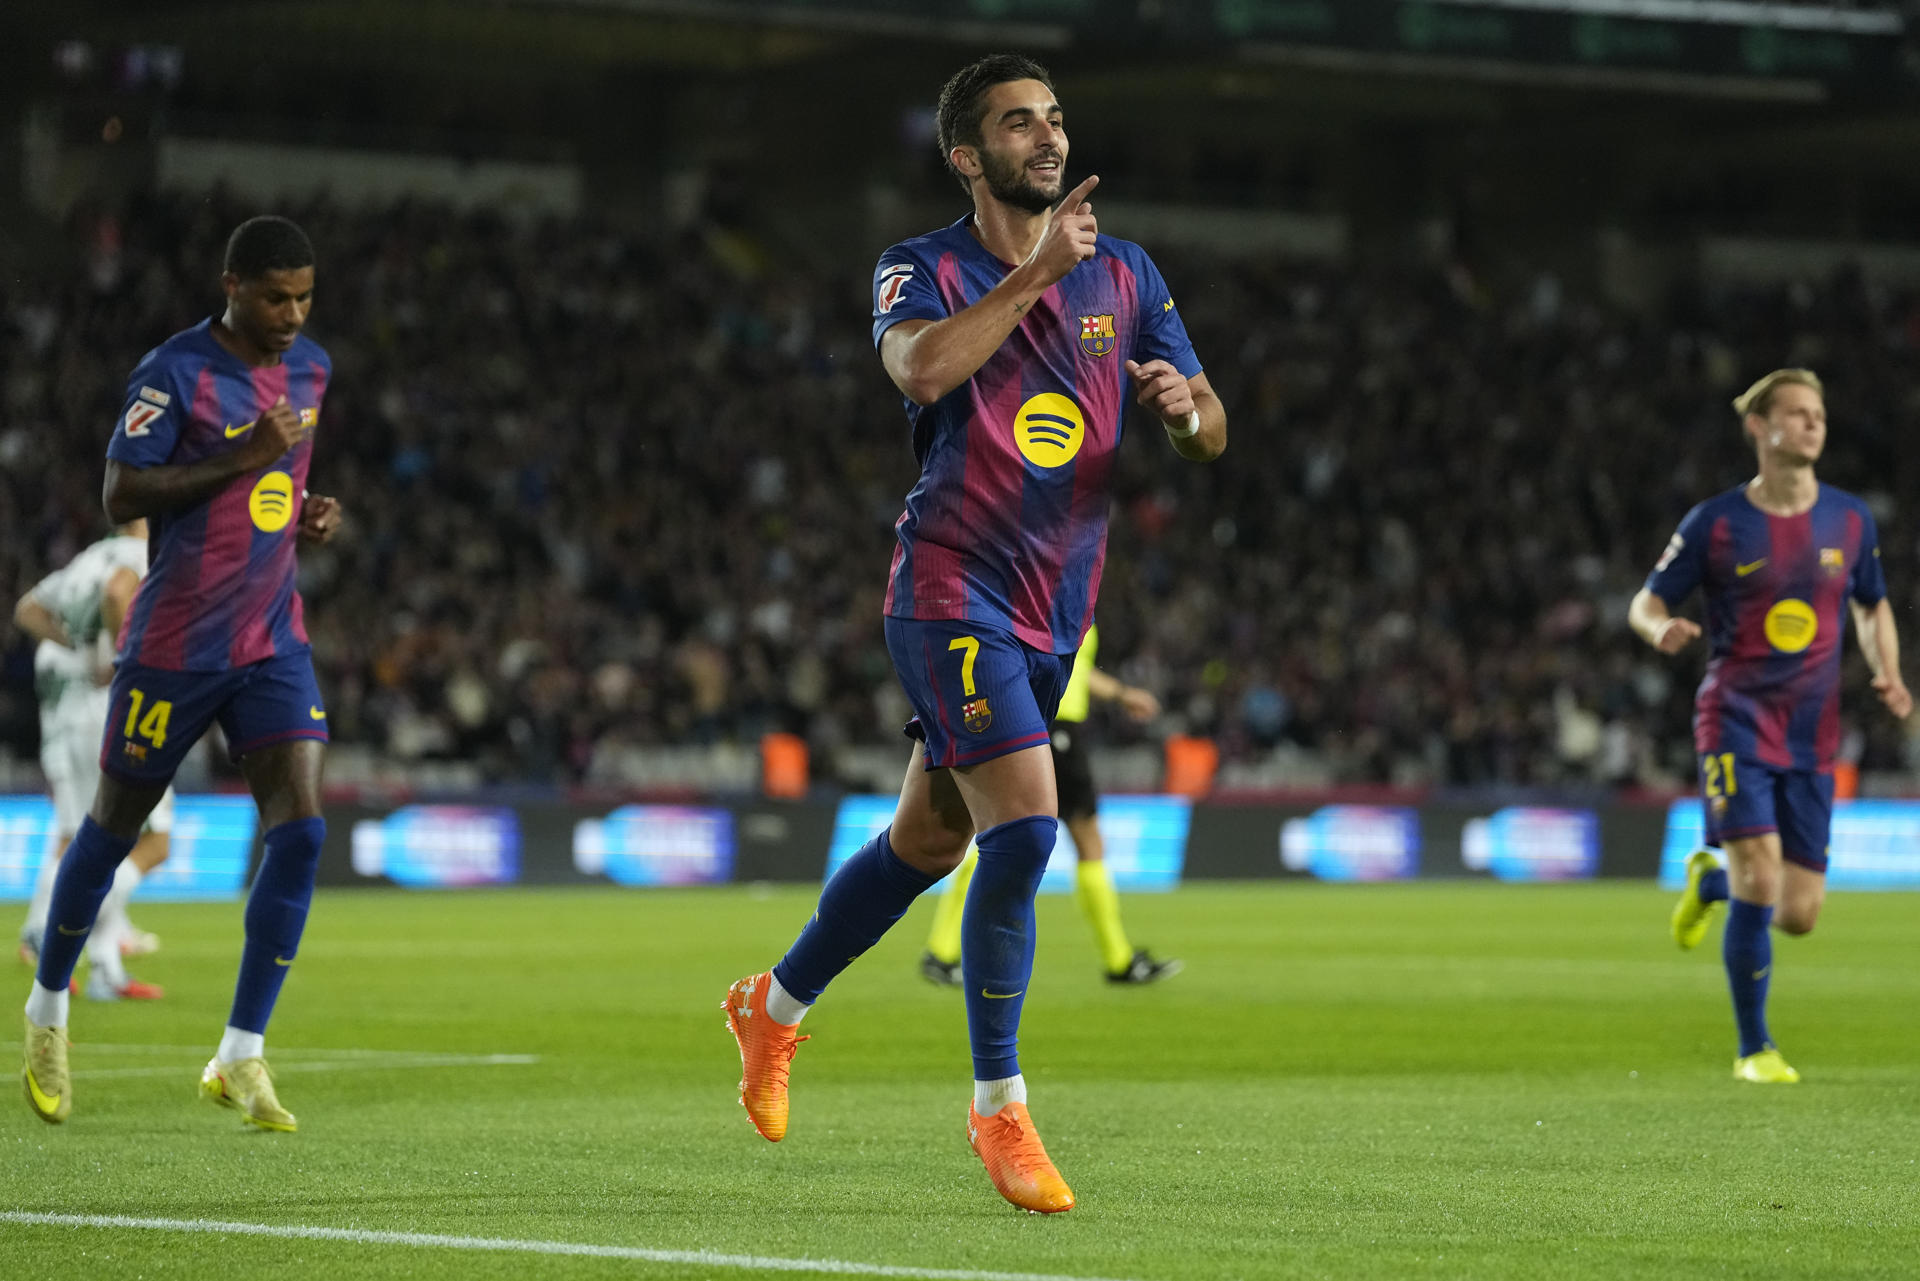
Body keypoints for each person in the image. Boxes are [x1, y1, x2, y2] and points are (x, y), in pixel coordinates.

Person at [723, 53, 1225, 1214]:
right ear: (968, 155)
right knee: (1027, 828)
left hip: (1059, 609)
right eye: (1018, 124)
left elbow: (1212, 430)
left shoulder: (1129, 272)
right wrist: (1034, 276)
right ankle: (1000, 1109)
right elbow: (923, 365)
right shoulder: (923, 266)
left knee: (927, 845)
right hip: (950, 586)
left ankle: (773, 1007)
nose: (1047, 138)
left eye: (1055, 118)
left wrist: (1185, 411)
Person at [21, 215, 343, 1131]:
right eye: (275, 296)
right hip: (176, 641)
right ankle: (48, 1008)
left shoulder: (313, 369)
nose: (291, 314)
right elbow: (124, 493)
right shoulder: (174, 373)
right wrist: (238, 457)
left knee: (303, 830)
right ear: (232, 284)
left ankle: (240, 1053)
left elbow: (271, 490)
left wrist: (305, 513)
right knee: (111, 829)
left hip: (272, 635)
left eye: (304, 297)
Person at [1631, 368, 1909, 1085]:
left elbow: (1871, 604)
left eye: (1819, 413)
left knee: (1799, 912)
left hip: (1813, 731)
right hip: (1736, 717)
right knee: (1759, 870)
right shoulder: (1717, 522)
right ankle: (1755, 1048)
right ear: (1759, 426)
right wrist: (1660, 628)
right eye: (1797, 412)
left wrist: (1889, 670)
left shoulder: (1850, 520)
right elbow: (1646, 600)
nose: (1814, 423)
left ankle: (1708, 885)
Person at [920, 622, 1182, 987]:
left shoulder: (1055, 592)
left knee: (998, 832)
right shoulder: (1055, 592)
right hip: (1051, 722)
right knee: (1071, 839)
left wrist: (1121, 694)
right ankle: (1119, 959)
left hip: (1036, 721)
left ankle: (942, 950)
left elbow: (1073, 668)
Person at [14, 520, 175, 1000]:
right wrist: (123, 658)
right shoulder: (141, 553)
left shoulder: (85, 559)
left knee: (97, 840)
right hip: (116, 707)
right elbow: (116, 593)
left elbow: (27, 609)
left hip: (79, 710)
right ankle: (59, 928)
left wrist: (80, 650)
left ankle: (105, 968)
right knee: (155, 843)